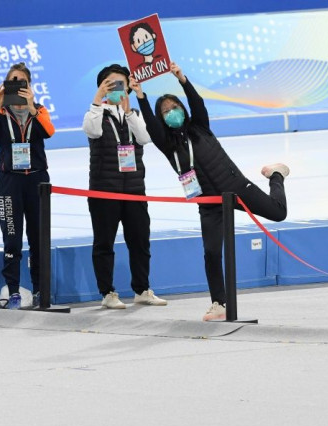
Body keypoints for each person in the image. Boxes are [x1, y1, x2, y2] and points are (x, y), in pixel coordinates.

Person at [135, 62, 289, 321]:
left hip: (236, 187)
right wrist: (140, 96)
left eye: (175, 108)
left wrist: (181, 79)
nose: (171, 112)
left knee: (278, 213)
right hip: (208, 203)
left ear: (182, 110)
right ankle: (219, 303)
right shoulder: (167, 144)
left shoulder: (200, 127)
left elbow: (197, 104)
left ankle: (276, 174)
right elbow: (151, 125)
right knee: (212, 252)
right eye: (165, 112)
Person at [82, 64, 167, 309]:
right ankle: (107, 293)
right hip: (103, 189)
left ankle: (142, 289)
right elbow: (92, 130)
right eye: (111, 84)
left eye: (122, 83)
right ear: (102, 87)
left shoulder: (134, 115)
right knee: (104, 243)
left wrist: (130, 111)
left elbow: (144, 138)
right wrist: (98, 99)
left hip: (134, 189)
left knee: (140, 241)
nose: (118, 88)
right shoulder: (95, 113)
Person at [0, 62, 54, 309]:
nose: (16, 84)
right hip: (10, 181)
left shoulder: (40, 110)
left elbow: (49, 132)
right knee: (12, 238)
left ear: (29, 85)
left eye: (21, 80)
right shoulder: (0, 114)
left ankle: (39, 291)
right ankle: (13, 291)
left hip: (37, 180)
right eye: (12, 79)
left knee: (38, 238)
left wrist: (32, 106)